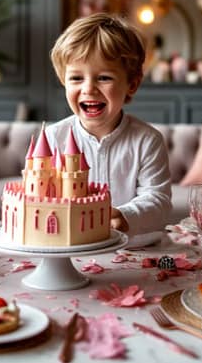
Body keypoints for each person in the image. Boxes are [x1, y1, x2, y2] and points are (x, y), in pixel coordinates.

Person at [47, 13, 172, 243]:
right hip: (72, 250)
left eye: (104, 78)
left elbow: (158, 201)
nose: (88, 89)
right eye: (76, 78)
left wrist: (125, 216)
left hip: (134, 249)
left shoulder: (147, 141)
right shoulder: (52, 138)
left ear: (132, 84)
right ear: (64, 81)